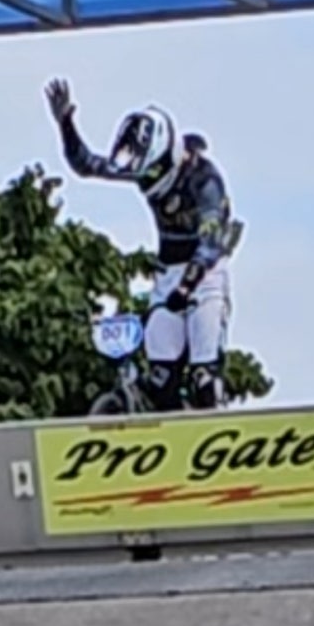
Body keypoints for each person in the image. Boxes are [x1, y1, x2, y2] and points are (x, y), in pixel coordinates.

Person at [44, 77, 240, 410]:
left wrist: (187, 287)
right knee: (161, 380)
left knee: (204, 379)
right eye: (143, 175)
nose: (147, 181)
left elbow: (210, 242)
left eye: (152, 173)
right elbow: (87, 165)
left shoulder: (205, 180)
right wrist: (66, 124)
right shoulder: (145, 167)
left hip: (206, 276)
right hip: (168, 274)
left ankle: (212, 415)